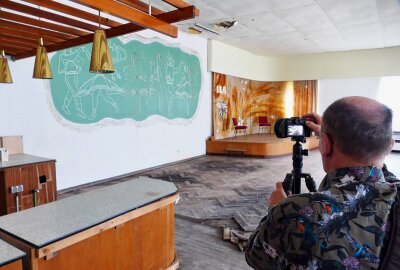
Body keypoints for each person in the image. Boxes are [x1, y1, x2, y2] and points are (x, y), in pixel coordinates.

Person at [245, 96, 398, 270]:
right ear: (389, 146)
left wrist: (274, 210)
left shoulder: (295, 211)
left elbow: (254, 256)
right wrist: (328, 135)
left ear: (324, 144)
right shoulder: (395, 190)